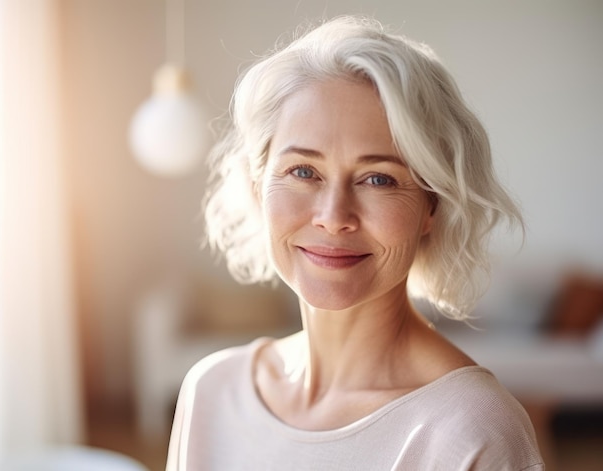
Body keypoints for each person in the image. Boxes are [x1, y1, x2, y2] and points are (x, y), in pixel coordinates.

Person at [166, 15, 544, 470]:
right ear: (256, 184)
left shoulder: (472, 431)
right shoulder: (211, 390)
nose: (333, 217)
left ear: (433, 206)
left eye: (379, 178)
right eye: (303, 171)